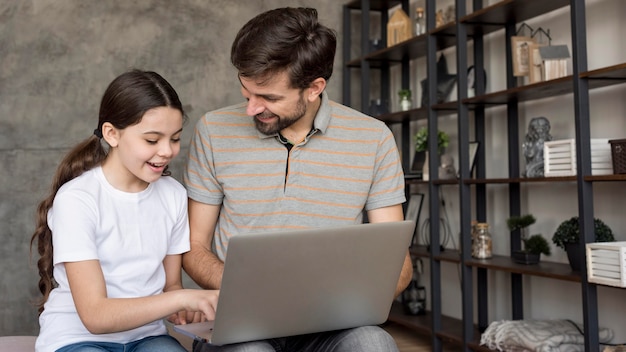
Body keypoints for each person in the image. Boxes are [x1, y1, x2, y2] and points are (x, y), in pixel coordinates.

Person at [183, 7, 412, 352]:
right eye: (247, 93)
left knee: (372, 344)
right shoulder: (213, 131)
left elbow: (398, 261)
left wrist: (344, 301)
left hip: (332, 324)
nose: (251, 109)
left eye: (269, 98)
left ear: (314, 88)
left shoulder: (373, 139)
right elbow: (194, 247)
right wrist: (247, 292)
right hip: (244, 322)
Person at [30, 69, 219, 352]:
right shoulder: (77, 199)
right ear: (112, 134)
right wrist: (182, 300)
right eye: (152, 140)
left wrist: (187, 306)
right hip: (78, 338)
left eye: (175, 138)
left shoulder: (174, 196)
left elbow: (171, 287)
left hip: (146, 336)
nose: (167, 151)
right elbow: (95, 316)